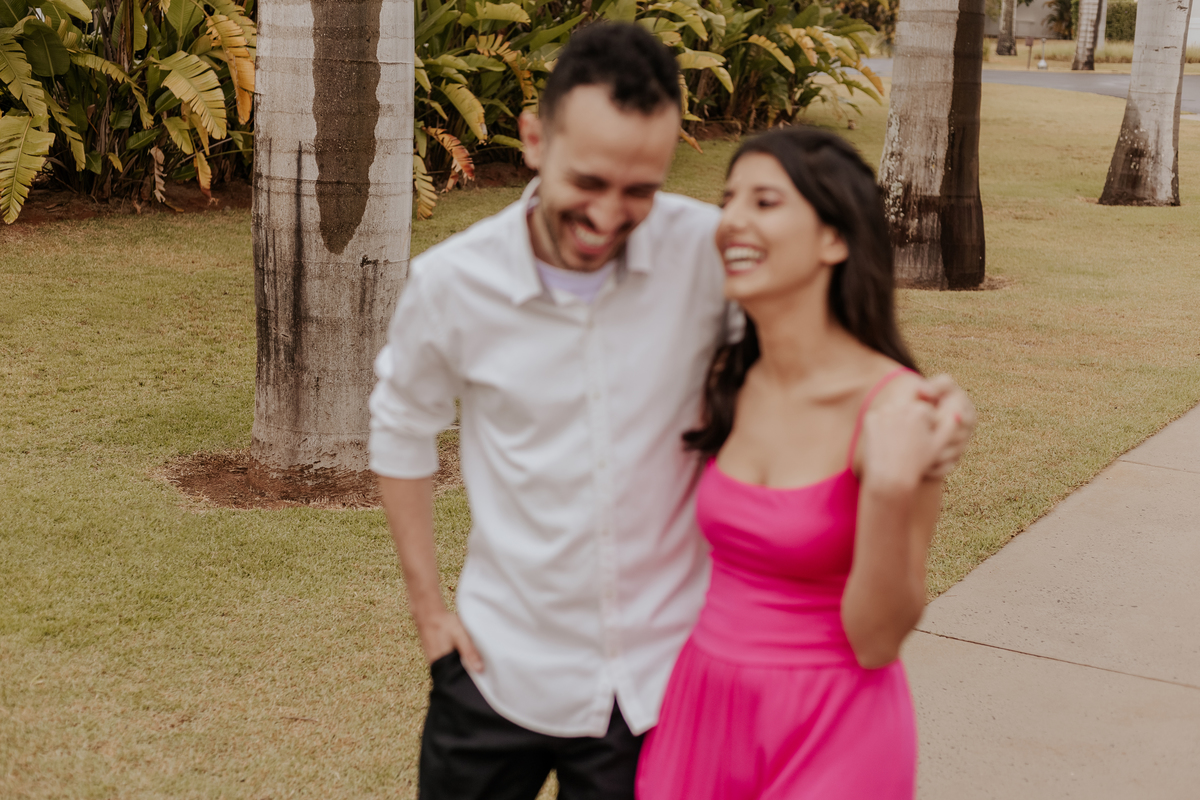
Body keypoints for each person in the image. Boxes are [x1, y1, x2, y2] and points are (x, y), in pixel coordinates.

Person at [368, 23, 973, 800]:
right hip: (497, 666)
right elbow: (401, 427)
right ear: (534, 141)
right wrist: (428, 613)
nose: (608, 214)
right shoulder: (451, 283)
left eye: (640, 191)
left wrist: (921, 401)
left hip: (658, 687)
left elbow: (814, 329)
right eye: (588, 181)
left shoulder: (707, 252)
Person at [636, 127, 947, 800]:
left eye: (765, 201)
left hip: (833, 726)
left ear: (834, 239)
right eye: (728, 199)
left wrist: (890, 486)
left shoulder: (897, 409)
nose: (731, 220)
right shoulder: (725, 379)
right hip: (702, 709)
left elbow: (876, 641)